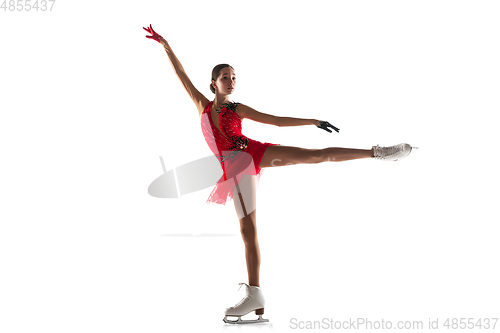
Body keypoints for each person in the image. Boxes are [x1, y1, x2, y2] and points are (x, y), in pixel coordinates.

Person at [143, 24, 416, 324]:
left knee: (314, 156)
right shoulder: (203, 106)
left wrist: (312, 121)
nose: (231, 82)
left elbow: (275, 121)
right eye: (225, 78)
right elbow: (181, 74)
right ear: (213, 84)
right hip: (235, 165)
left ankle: (378, 152)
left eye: (234, 78)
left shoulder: (238, 108)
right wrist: (166, 44)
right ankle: (256, 296)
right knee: (248, 231)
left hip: (253, 152)